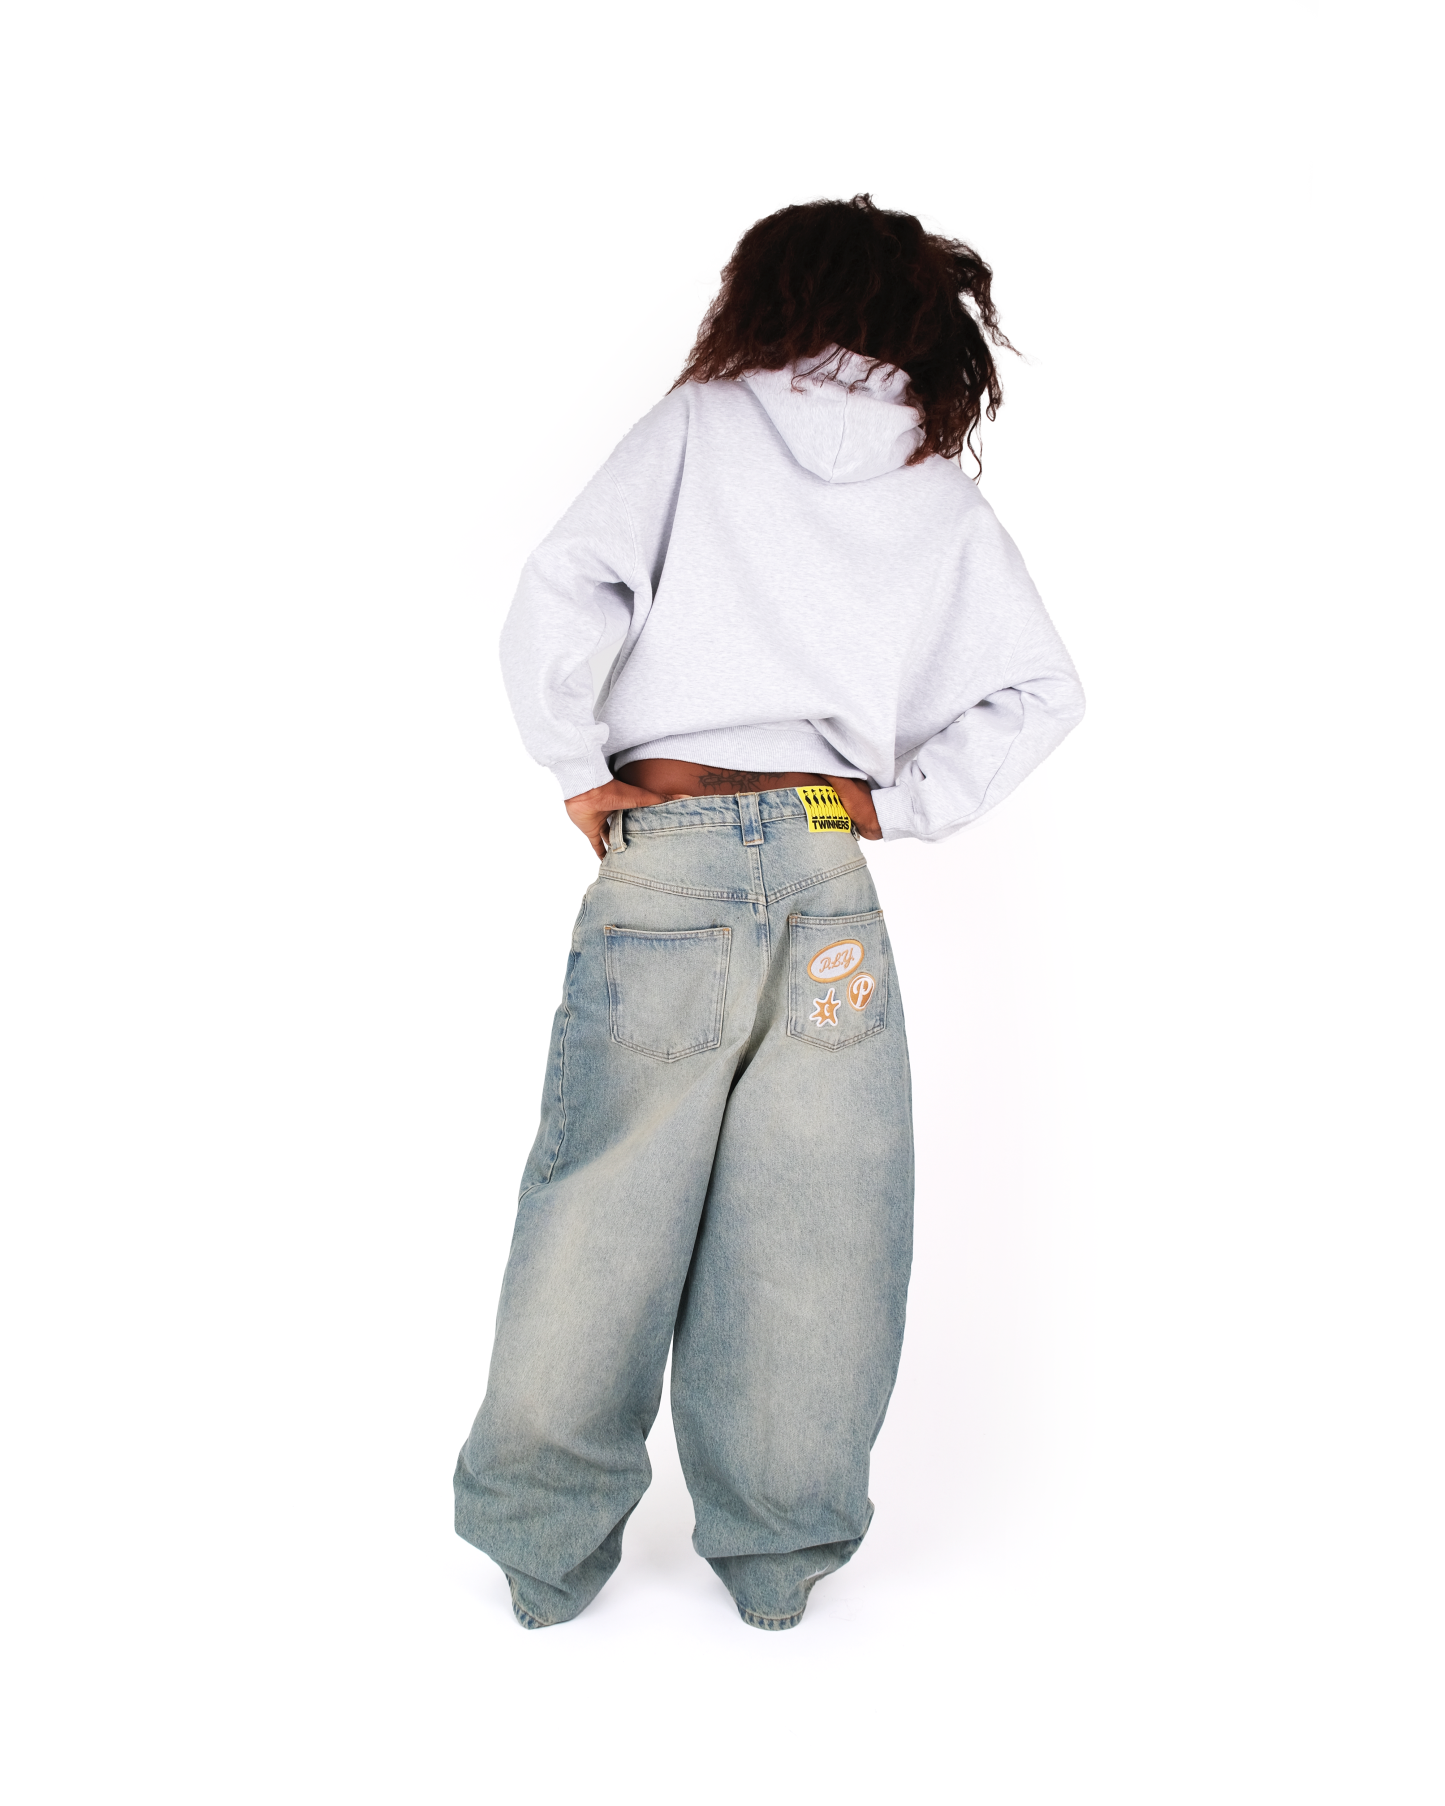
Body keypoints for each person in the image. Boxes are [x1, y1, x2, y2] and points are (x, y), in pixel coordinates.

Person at [455, 194, 1085, 1631]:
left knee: (602, 1203)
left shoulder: (700, 426)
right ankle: (780, 1559)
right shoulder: (932, 485)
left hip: (666, 859)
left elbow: (565, 586)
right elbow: (1043, 690)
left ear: (773, 290)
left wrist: (576, 766)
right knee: (820, 1221)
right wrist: (897, 802)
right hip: (822, 869)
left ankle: (542, 1554)